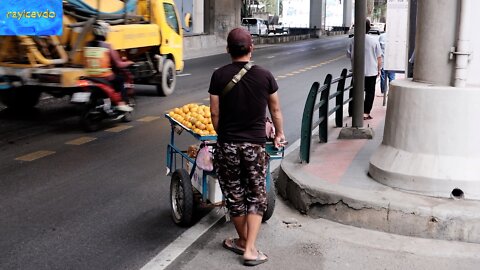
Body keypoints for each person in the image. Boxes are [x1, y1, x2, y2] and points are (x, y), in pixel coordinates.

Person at [208, 28, 286, 267]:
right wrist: (279, 133)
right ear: (251, 48)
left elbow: (214, 112)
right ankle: (249, 249)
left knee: (235, 196)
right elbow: (275, 110)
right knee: (256, 196)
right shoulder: (265, 75)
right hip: (254, 146)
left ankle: (243, 242)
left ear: (228, 50)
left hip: (227, 145)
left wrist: (224, 135)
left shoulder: (219, 76)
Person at [84, 20, 134, 112]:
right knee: (120, 80)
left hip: (90, 77)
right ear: (104, 32)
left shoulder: (87, 45)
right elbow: (118, 64)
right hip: (104, 77)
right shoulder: (107, 46)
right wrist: (129, 63)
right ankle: (121, 103)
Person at [346, 19, 382, 120]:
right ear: (369, 28)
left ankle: (352, 112)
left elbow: (349, 55)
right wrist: (379, 70)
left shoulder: (352, 40)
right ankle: (366, 113)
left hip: (357, 72)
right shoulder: (374, 40)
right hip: (371, 72)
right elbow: (379, 58)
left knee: (355, 91)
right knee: (370, 92)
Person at [378, 26, 395, 97]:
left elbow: (378, 50)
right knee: (392, 77)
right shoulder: (394, 37)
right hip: (392, 61)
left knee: (383, 77)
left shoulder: (381, 36)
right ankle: (391, 92)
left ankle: (383, 92)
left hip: (383, 60)